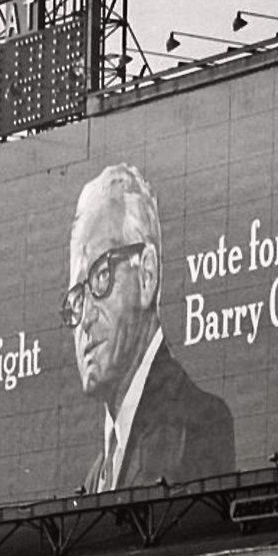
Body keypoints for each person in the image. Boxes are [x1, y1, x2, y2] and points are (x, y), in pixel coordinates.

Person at [61, 163, 234, 493]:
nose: (85, 318)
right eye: (77, 297)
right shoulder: (95, 476)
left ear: (147, 275)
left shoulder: (196, 424)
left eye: (101, 277)